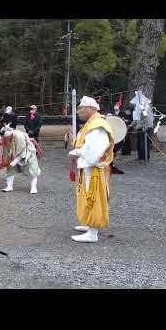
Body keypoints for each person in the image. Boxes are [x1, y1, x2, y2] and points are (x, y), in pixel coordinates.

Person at [68, 96, 114, 243]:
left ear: (91, 109)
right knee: (85, 195)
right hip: (87, 166)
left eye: (81, 108)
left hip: (93, 167)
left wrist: (78, 153)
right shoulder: (91, 123)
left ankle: (93, 232)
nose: (79, 111)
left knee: (93, 197)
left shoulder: (98, 125)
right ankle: (89, 224)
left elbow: (94, 150)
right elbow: (87, 145)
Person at [0, 124, 41, 194]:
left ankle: (33, 187)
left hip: (27, 153)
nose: (6, 139)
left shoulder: (19, 136)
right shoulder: (2, 137)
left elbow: (22, 151)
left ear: (11, 134)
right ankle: (9, 186)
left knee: (32, 170)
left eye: (7, 137)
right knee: (9, 169)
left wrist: (15, 161)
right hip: (12, 154)